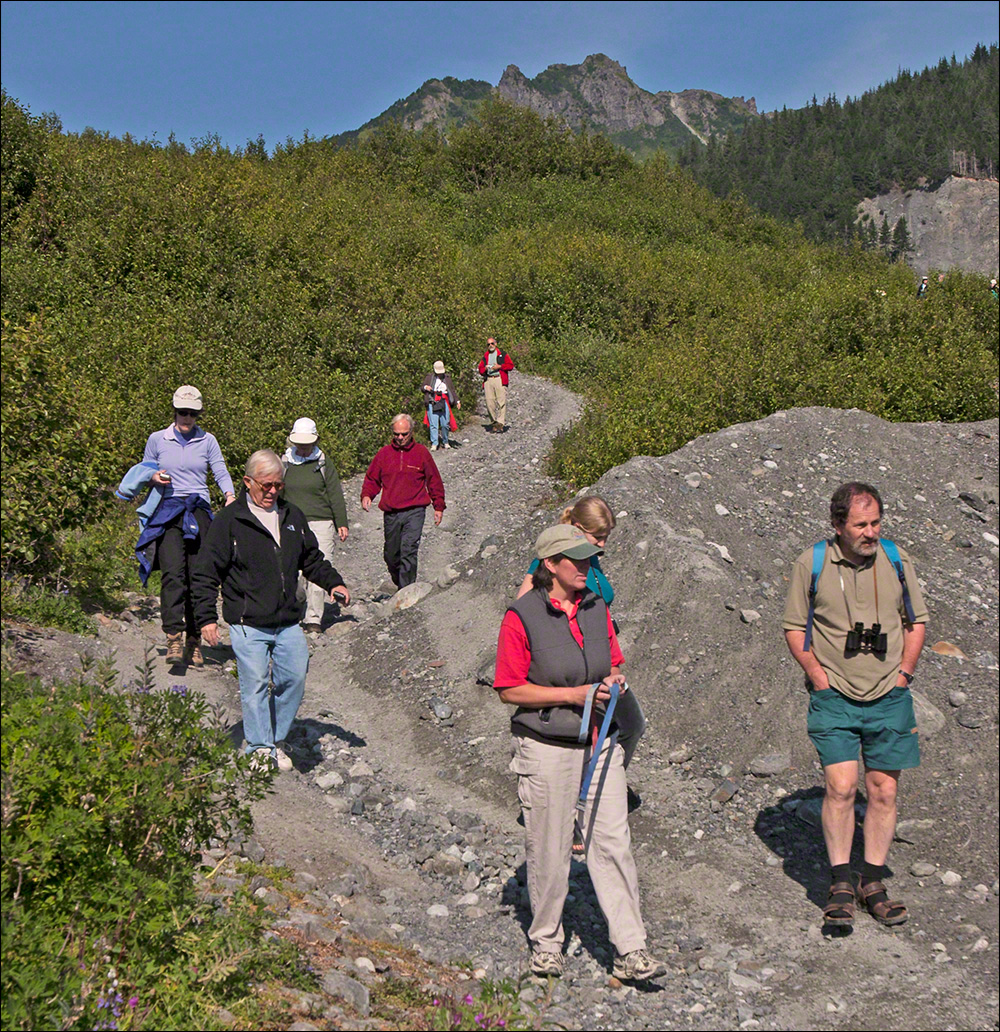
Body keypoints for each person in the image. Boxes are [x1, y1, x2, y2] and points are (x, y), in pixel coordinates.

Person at [494, 524, 665, 982]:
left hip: (599, 739)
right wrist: (574, 695)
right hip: (545, 746)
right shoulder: (521, 615)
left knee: (612, 842)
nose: (589, 566)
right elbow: (508, 690)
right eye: (579, 559)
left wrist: (612, 681)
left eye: (590, 557)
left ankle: (631, 948)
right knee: (549, 848)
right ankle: (547, 942)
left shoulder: (595, 607)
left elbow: (612, 659)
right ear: (551, 565)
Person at [783, 482, 928, 928]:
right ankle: (841, 881)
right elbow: (792, 626)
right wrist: (818, 676)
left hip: (890, 694)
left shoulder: (897, 560)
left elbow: (917, 620)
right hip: (835, 697)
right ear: (838, 525)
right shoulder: (813, 563)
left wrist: (904, 674)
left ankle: (874, 882)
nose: (871, 532)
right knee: (842, 787)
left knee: (883, 790)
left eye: (876, 522)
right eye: (861, 524)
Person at [192, 450, 350, 772]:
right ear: (248, 482)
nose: (273, 492)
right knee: (255, 685)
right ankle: (260, 748)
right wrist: (207, 618)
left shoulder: (292, 516)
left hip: (286, 619)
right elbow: (206, 572)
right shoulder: (228, 522)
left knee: (294, 678)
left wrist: (334, 583)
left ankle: (273, 738)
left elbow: (311, 559)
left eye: (278, 485)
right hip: (247, 621)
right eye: (266, 485)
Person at [516, 495, 646, 769]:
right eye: (597, 536)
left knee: (631, 724)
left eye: (606, 536)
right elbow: (525, 609)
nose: (602, 544)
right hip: (573, 660)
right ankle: (590, 783)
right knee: (618, 725)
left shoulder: (590, 562)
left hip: (601, 658)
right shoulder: (552, 562)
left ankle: (603, 780)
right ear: (576, 527)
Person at [139, 385, 235, 667]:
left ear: (198, 414)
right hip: (169, 511)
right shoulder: (158, 439)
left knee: (198, 577)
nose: (187, 417)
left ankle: (194, 641)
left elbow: (219, 468)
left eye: (192, 413)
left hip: (198, 510)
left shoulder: (208, 440)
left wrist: (229, 495)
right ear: (174, 411)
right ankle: (173, 635)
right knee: (172, 573)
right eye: (182, 412)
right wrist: (154, 477)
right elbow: (144, 470)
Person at [281, 417, 350, 634]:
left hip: (321, 521)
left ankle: (313, 619)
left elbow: (334, 493)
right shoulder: (284, 463)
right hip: (291, 522)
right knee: (295, 571)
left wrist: (342, 522)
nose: (302, 447)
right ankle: (299, 600)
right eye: (299, 442)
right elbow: (276, 494)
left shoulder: (322, 463)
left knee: (321, 566)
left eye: (307, 442)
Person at [361, 414, 445, 590]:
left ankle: (406, 591)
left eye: (404, 434)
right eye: (396, 434)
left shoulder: (421, 453)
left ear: (411, 432)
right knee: (391, 554)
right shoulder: (384, 454)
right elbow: (372, 478)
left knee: (408, 550)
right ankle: (399, 583)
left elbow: (434, 480)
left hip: (415, 511)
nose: (400, 438)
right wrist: (367, 495)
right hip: (391, 512)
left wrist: (438, 506)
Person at [421, 360, 461, 451]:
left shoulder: (447, 378)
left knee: (445, 423)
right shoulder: (429, 377)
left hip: (444, 400)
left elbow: (452, 390)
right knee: (433, 424)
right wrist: (426, 387)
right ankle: (434, 443)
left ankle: (445, 441)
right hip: (433, 400)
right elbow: (422, 387)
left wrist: (457, 401)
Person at [477, 337, 514, 433]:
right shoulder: (485, 357)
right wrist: (484, 368)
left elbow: (510, 366)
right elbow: (480, 370)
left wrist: (500, 366)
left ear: (496, 344)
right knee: (490, 403)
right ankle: (494, 423)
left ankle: (500, 423)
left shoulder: (503, 354)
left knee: (501, 402)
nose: (490, 346)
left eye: (492, 343)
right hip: (489, 380)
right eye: (488, 344)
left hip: (499, 379)